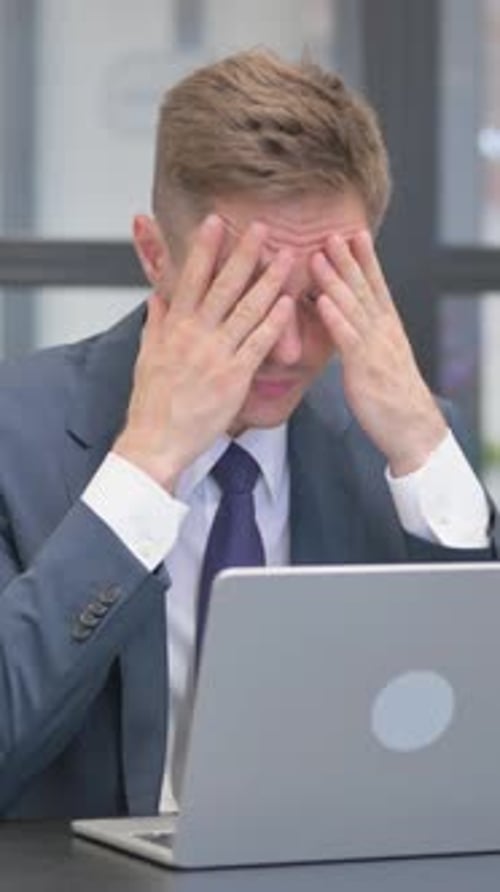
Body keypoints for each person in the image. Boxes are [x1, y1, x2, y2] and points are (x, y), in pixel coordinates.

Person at [0, 49, 496, 820]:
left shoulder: (407, 449)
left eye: (318, 297)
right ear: (155, 254)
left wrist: (426, 452)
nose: (289, 349)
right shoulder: (15, 432)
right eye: (247, 295)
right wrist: (148, 463)